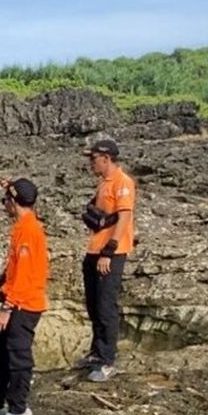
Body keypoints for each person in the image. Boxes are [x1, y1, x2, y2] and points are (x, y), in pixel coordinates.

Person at [0, 178, 49, 415]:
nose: (4, 205)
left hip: (24, 305)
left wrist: (7, 308)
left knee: (18, 356)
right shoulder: (24, 227)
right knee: (0, 353)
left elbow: (24, 275)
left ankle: (18, 408)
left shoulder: (28, 231)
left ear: (13, 202)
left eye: (6, 201)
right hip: (16, 299)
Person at [77, 138, 136, 382]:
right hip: (95, 249)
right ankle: (97, 352)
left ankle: (108, 360)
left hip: (110, 252)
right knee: (93, 303)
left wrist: (109, 251)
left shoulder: (123, 182)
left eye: (94, 159)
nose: (91, 163)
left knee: (105, 305)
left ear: (106, 158)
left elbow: (124, 217)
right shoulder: (104, 183)